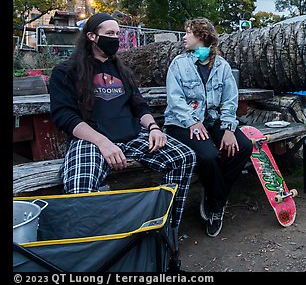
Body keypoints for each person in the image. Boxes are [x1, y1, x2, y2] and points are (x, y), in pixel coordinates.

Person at [49, 12, 196, 230]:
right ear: (91, 36)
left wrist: (154, 128)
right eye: (109, 33)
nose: (115, 38)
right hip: (92, 141)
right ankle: (91, 244)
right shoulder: (66, 71)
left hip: (132, 135)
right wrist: (103, 143)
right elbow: (65, 116)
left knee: (184, 157)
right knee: (80, 186)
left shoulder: (122, 70)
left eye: (118, 33)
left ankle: (165, 228)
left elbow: (140, 106)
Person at [163, 17, 252, 238]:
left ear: (202, 37)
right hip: (181, 122)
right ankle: (216, 206)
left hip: (213, 120)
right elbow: (175, 100)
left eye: (188, 33)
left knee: (243, 146)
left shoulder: (222, 66)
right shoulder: (179, 64)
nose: (184, 37)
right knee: (209, 156)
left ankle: (213, 195)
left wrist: (230, 129)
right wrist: (192, 122)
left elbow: (230, 100)